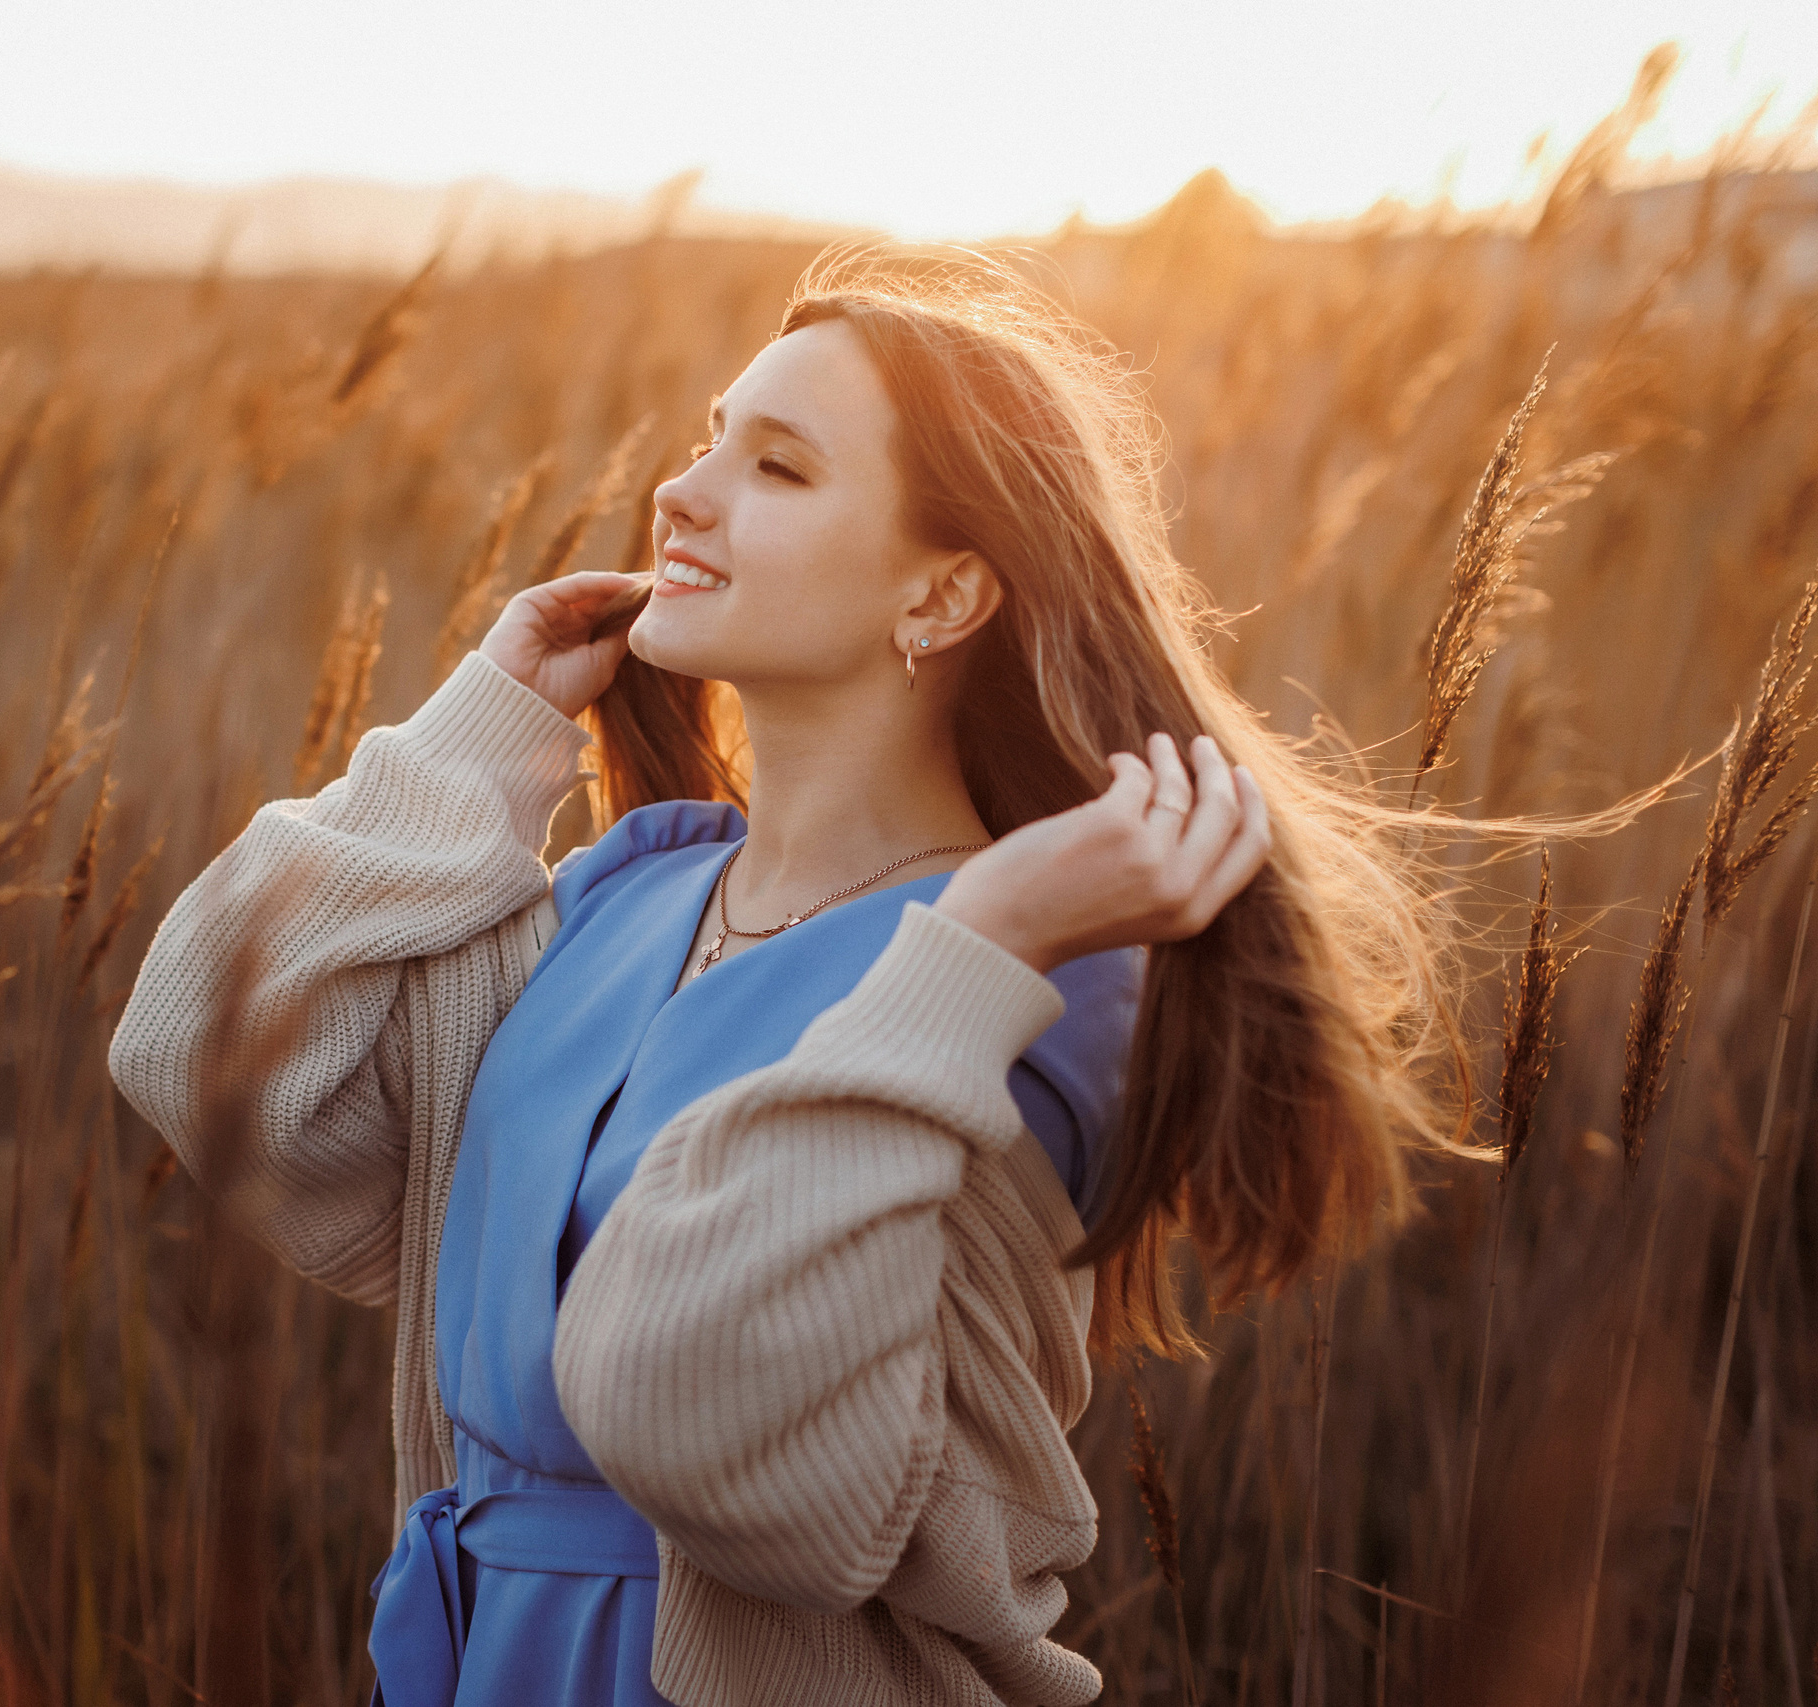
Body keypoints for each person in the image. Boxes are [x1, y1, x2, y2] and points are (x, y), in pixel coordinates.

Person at [109, 245, 1480, 1705]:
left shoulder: (1037, 990)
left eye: (778, 466)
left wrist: (979, 952)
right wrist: (478, 738)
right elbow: (204, 1064)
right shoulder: (626, 896)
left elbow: (701, 1411)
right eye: (709, 437)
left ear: (944, 596)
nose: (684, 491)